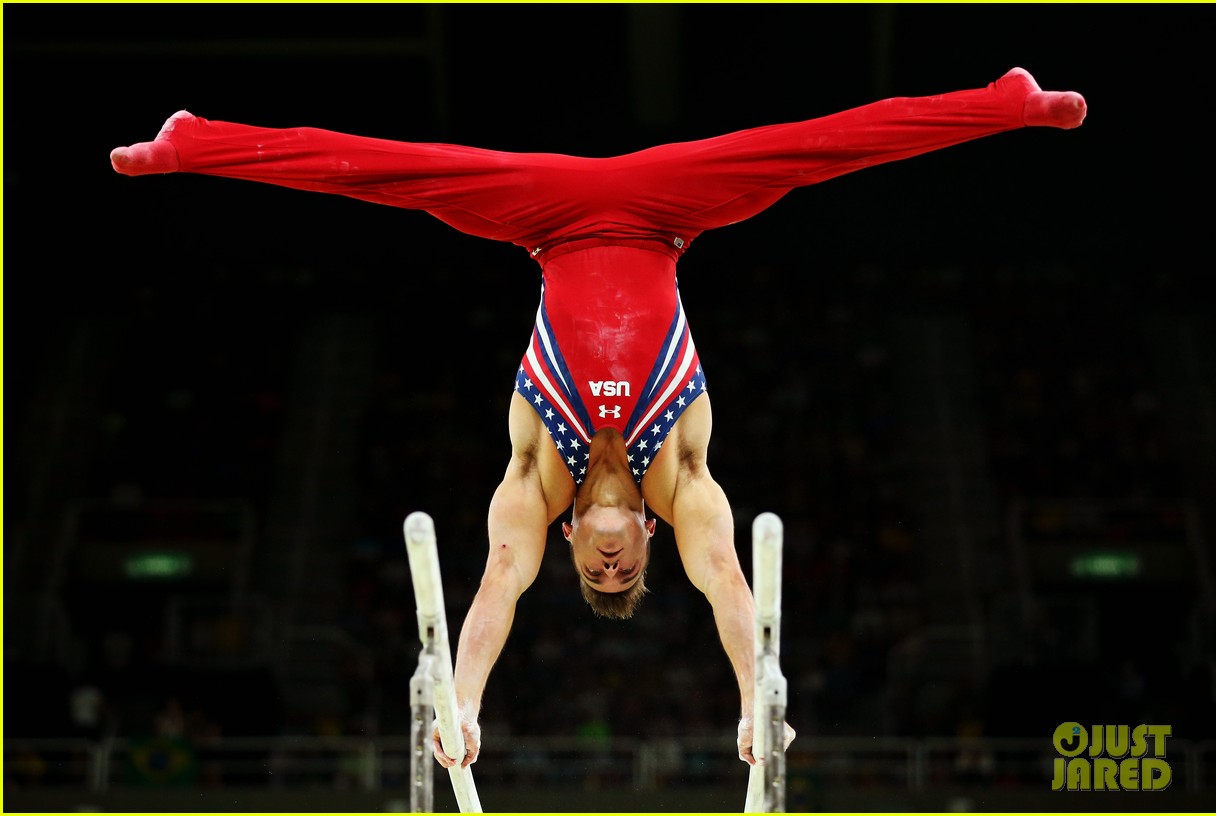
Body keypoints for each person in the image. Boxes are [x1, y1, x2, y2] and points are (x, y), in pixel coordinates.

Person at [110, 66, 1087, 770]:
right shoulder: (685, 481)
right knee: (812, 150)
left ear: (571, 535)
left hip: (546, 219)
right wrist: (761, 697)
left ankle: (195, 139)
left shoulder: (534, 484)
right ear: (647, 535)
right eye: (625, 571)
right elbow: (729, 590)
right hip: (665, 214)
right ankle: (1002, 103)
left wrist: (462, 701)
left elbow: (491, 592)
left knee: (392, 170)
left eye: (591, 570)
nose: (609, 565)